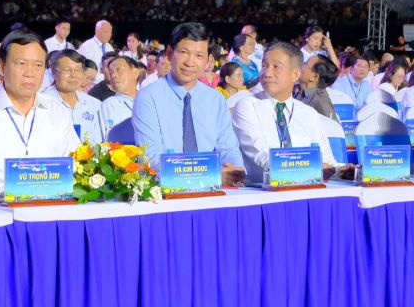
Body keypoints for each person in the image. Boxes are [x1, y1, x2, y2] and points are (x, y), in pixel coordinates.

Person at [0, 29, 78, 196]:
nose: (30, 73)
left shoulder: (56, 111)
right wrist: (18, 188)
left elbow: (76, 164)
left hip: (52, 205)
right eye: (21, 64)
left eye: (38, 65)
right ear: (1, 67)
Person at [132, 22, 245, 185]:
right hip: (166, 190)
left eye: (199, 56)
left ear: (208, 61)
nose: (190, 63)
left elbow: (229, 149)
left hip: (214, 189)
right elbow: (151, 158)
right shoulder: (148, 97)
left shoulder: (216, 99)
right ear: (170, 53)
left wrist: (235, 171)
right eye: (184, 52)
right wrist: (207, 174)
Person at [232, 42, 353, 185]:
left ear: (295, 74)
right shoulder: (248, 106)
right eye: (264, 65)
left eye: (276, 67)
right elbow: (260, 154)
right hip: (262, 191)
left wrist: (341, 170)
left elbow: (326, 160)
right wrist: (308, 168)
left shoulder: (308, 114)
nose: (267, 73)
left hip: (304, 189)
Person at [42, 50, 101, 143]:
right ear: (54, 71)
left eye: (77, 70)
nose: (73, 75)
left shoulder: (94, 105)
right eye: (67, 70)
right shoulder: (42, 104)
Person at [99, 55, 141, 140]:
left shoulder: (149, 100)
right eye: (111, 72)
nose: (113, 75)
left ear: (135, 73)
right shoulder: (110, 104)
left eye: (118, 70)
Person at [294, 53, 340, 122]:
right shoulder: (296, 89)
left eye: (306, 63)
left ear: (314, 77)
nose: (301, 65)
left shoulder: (320, 101)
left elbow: (333, 127)